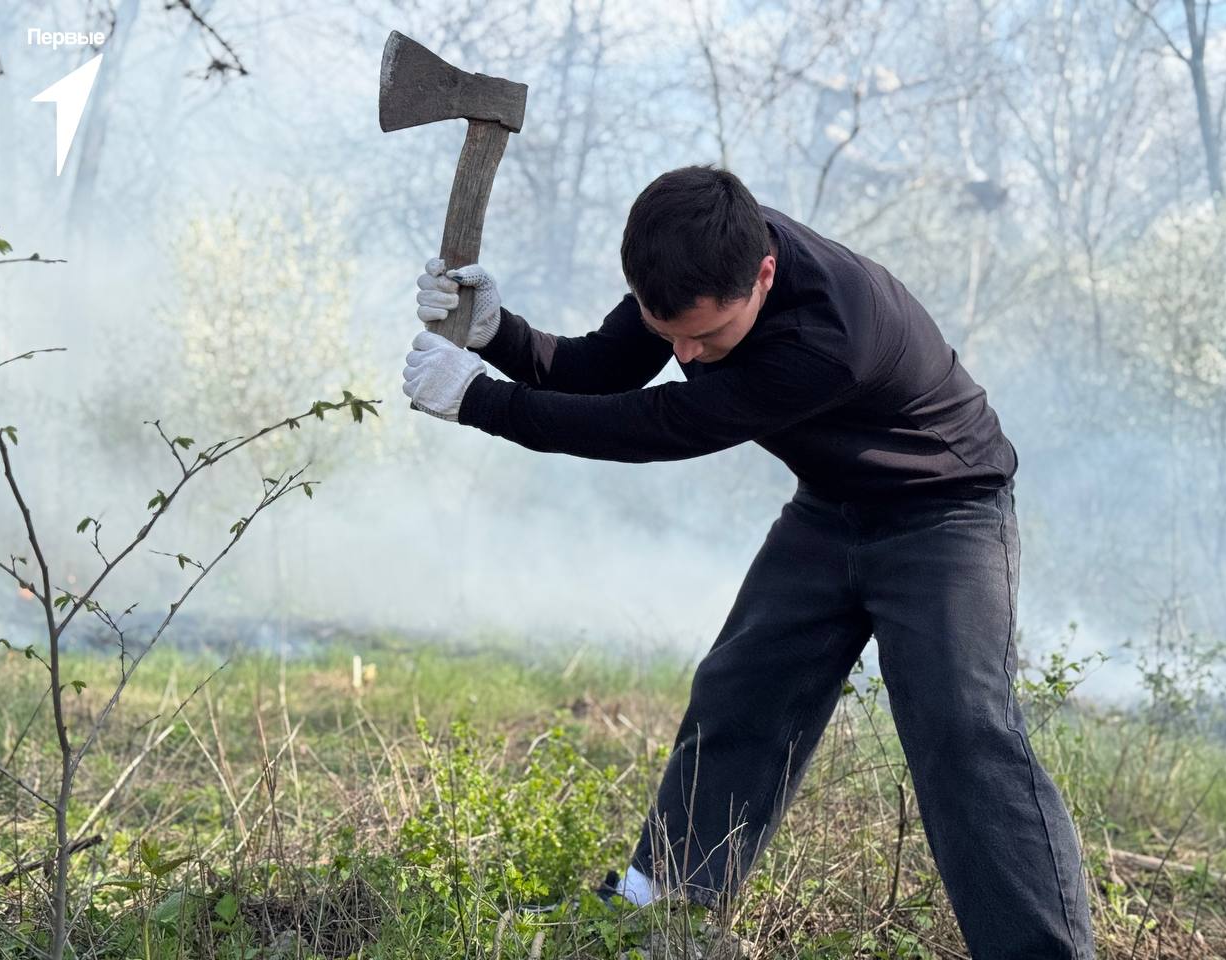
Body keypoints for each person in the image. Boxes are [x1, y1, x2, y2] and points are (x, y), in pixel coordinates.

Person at [401, 164, 1096, 959]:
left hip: (946, 511)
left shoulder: (830, 335)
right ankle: (657, 914)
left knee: (963, 732)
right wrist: (500, 335)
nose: (689, 352)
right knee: (740, 689)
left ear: (764, 276)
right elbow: (601, 371)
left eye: (708, 337)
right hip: (832, 503)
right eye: (671, 335)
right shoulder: (695, 256)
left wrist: (481, 402)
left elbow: (657, 423)